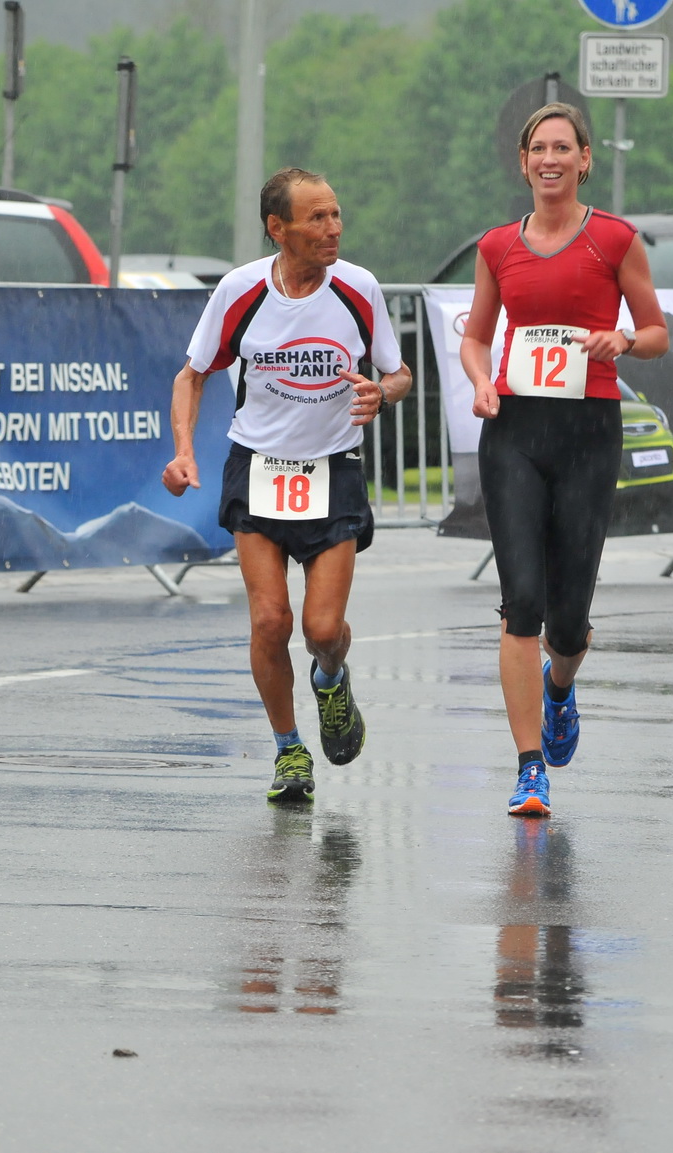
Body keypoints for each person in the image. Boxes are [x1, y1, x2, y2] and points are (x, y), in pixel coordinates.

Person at [164, 168, 412, 803]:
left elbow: (399, 372)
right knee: (271, 621)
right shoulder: (240, 290)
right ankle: (288, 750)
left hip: (333, 468)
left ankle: (331, 683)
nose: (333, 229)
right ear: (279, 228)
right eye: (317, 218)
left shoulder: (359, 289)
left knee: (323, 629)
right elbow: (191, 375)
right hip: (260, 468)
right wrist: (184, 452)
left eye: (336, 215)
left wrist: (381, 393)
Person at [459, 104, 669, 817]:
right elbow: (476, 337)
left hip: (587, 431)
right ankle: (527, 769)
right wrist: (482, 381)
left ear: (583, 159)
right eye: (536, 149)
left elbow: (657, 332)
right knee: (520, 602)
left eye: (561, 148)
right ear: (522, 163)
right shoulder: (496, 246)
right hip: (514, 429)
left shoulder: (613, 238)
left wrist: (622, 340)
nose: (548, 159)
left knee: (567, 620)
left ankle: (559, 686)